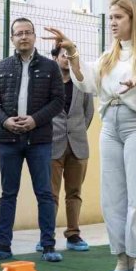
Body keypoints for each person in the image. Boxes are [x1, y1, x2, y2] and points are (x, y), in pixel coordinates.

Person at [47, 0, 136, 271]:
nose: (113, 23)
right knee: (113, 198)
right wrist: (73, 53)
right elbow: (88, 82)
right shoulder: (110, 55)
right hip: (110, 126)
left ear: (134, 19)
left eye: (119, 17)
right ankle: (122, 263)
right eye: (111, 18)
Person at [0, 18, 65, 262]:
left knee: (44, 193)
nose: (23, 37)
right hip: (8, 140)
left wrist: (35, 120)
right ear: (12, 38)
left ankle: (48, 246)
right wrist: (5, 121)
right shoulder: (1, 67)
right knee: (8, 193)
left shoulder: (50, 67)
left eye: (28, 32)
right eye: (18, 33)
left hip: (39, 140)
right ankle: (3, 246)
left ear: (34, 36)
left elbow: (58, 101)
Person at [37, 46, 94, 253]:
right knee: (50, 194)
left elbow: (88, 112)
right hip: (52, 145)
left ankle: (73, 234)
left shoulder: (82, 83)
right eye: (64, 55)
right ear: (55, 58)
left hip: (78, 146)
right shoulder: (46, 84)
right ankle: (47, 237)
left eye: (71, 55)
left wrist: (76, 131)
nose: (68, 59)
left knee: (75, 193)